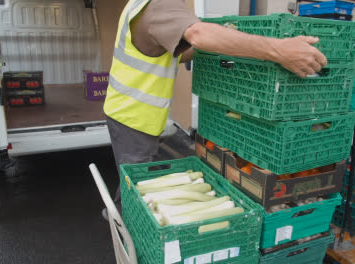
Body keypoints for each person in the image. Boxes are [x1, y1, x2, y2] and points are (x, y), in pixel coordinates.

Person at [102, 0, 327, 212]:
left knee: (132, 175)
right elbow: (198, 34)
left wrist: (226, 44)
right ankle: (124, 226)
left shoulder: (142, 4)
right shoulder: (161, 3)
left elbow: (172, 52)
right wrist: (279, 50)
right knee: (137, 185)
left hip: (128, 111)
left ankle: (118, 211)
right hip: (133, 118)